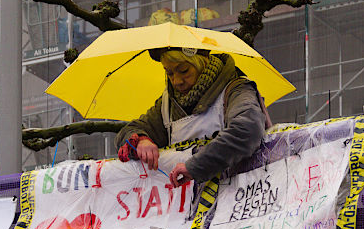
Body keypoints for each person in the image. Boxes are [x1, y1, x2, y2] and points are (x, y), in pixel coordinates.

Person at [115, 47, 272, 187]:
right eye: (169, 73)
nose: (177, 81)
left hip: (239, 198)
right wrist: (141, 140)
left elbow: (246, 130)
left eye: (183, 71)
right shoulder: (167, 104)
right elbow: (131, 130)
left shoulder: (237, 90)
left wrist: (196, 166)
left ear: (201, 64)